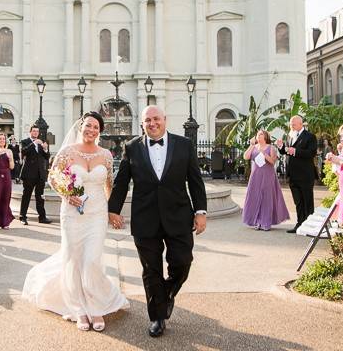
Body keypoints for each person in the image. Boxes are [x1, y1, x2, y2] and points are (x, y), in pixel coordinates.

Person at [23, 112, 129, 332]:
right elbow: (53, 177)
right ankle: (78, 308)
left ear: (100, 131)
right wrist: (66, 194)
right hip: (72, 213)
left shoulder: (106, 155)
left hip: (97, 213)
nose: (91, 130)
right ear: (81, 127)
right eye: (88, 126)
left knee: (92, 259)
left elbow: (109, 184)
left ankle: (96, 305)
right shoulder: (67, 152)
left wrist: (111, 211)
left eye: (96, 127)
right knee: (72, 258)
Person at [109, 105, 207, 338]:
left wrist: (200, 211)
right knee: (150, 270)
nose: (152, 123)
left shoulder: (184, 145)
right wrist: (113, 209)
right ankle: (157, 317)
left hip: (179, 215)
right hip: (145, 218)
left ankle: (167, 293)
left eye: (156, 119)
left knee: (183, 262)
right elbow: (122, 181)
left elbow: (195, 180)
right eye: (147, 120)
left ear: (165, 119)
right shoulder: (131, 147)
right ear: (142, 124)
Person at [242, 130, 290, 231]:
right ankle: (257, 221)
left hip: (268, 175)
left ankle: (265, 222)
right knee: (254, 197)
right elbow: (246, 157)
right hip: (255, 176)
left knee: (266, 198)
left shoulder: (271, 147)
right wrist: (251, 145)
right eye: (257, 134)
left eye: (261, 134)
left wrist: (264, 153)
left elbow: (272, 162)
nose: (258, 136)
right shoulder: (254, 147)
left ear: (265, 136)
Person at [276, 115, 318, 233]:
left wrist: (295, 151)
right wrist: (281, 147)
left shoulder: (310, 136)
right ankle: (299, 224)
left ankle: (310, 226)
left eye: (293, 124)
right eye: (290, 124)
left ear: (300, 124)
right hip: (293, 174)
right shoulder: (290, 136)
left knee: (307, 201)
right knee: (298, 201)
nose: (291, 126)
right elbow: (287, 151)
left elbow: (311, 153)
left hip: (305, 174)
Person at [19, 125, 52, 224]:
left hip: (40, 174)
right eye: (33, 131)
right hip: (29, 174)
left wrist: (46, 149)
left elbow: (46, 157)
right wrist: (33, 143)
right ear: (30, 132)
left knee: (40, 196)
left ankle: (42, 217)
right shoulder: (25, 141)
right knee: (26, 196)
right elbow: (24, 151)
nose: (35, 133)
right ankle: (23, 217)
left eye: (37, 131)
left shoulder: (41, 143)